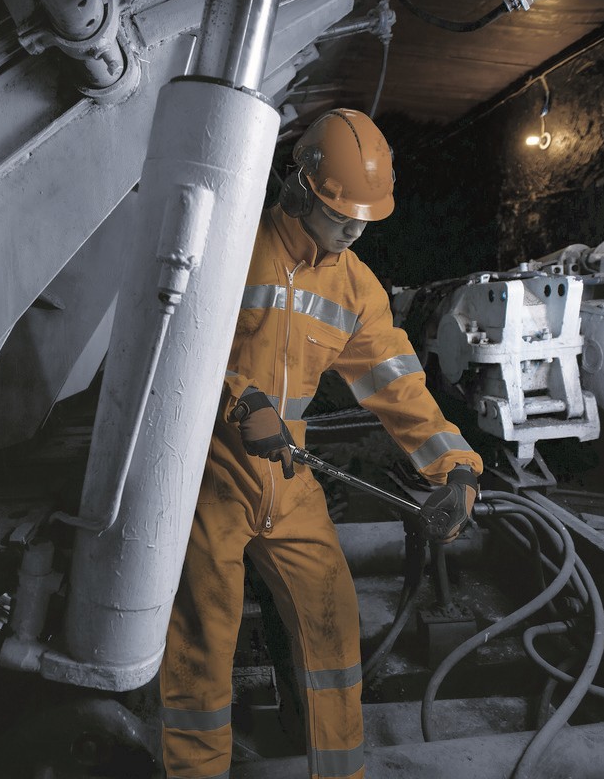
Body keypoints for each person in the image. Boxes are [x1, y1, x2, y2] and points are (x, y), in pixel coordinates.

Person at [160, 109, 484, 779]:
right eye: (342, 214)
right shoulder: (231, 247)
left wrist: (455, 471)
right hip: (207, 472)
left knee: (333, 625)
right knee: (202, 642)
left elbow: (398, 385)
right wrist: (242, 401)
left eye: (365, 218)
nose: (355, 230)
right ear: (300, 189)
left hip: (288, 475)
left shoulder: (356, 287)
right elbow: (174, 345)